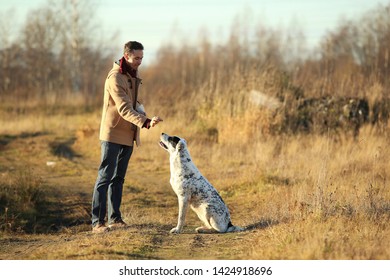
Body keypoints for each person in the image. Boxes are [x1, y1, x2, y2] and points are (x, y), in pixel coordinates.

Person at [91, 41, 162, 233]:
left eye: (142, 58)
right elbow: (123, 108)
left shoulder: (132, 73)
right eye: (137, 58)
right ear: (127, 55)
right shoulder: (115, 77)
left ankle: (115, 219)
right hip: (112, 133)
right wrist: (145, 122)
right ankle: (97, 222)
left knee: (118, 178)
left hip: (128, 132)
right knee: (105, 177)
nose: (140, 61)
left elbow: (131, 102)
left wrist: (142, 111)